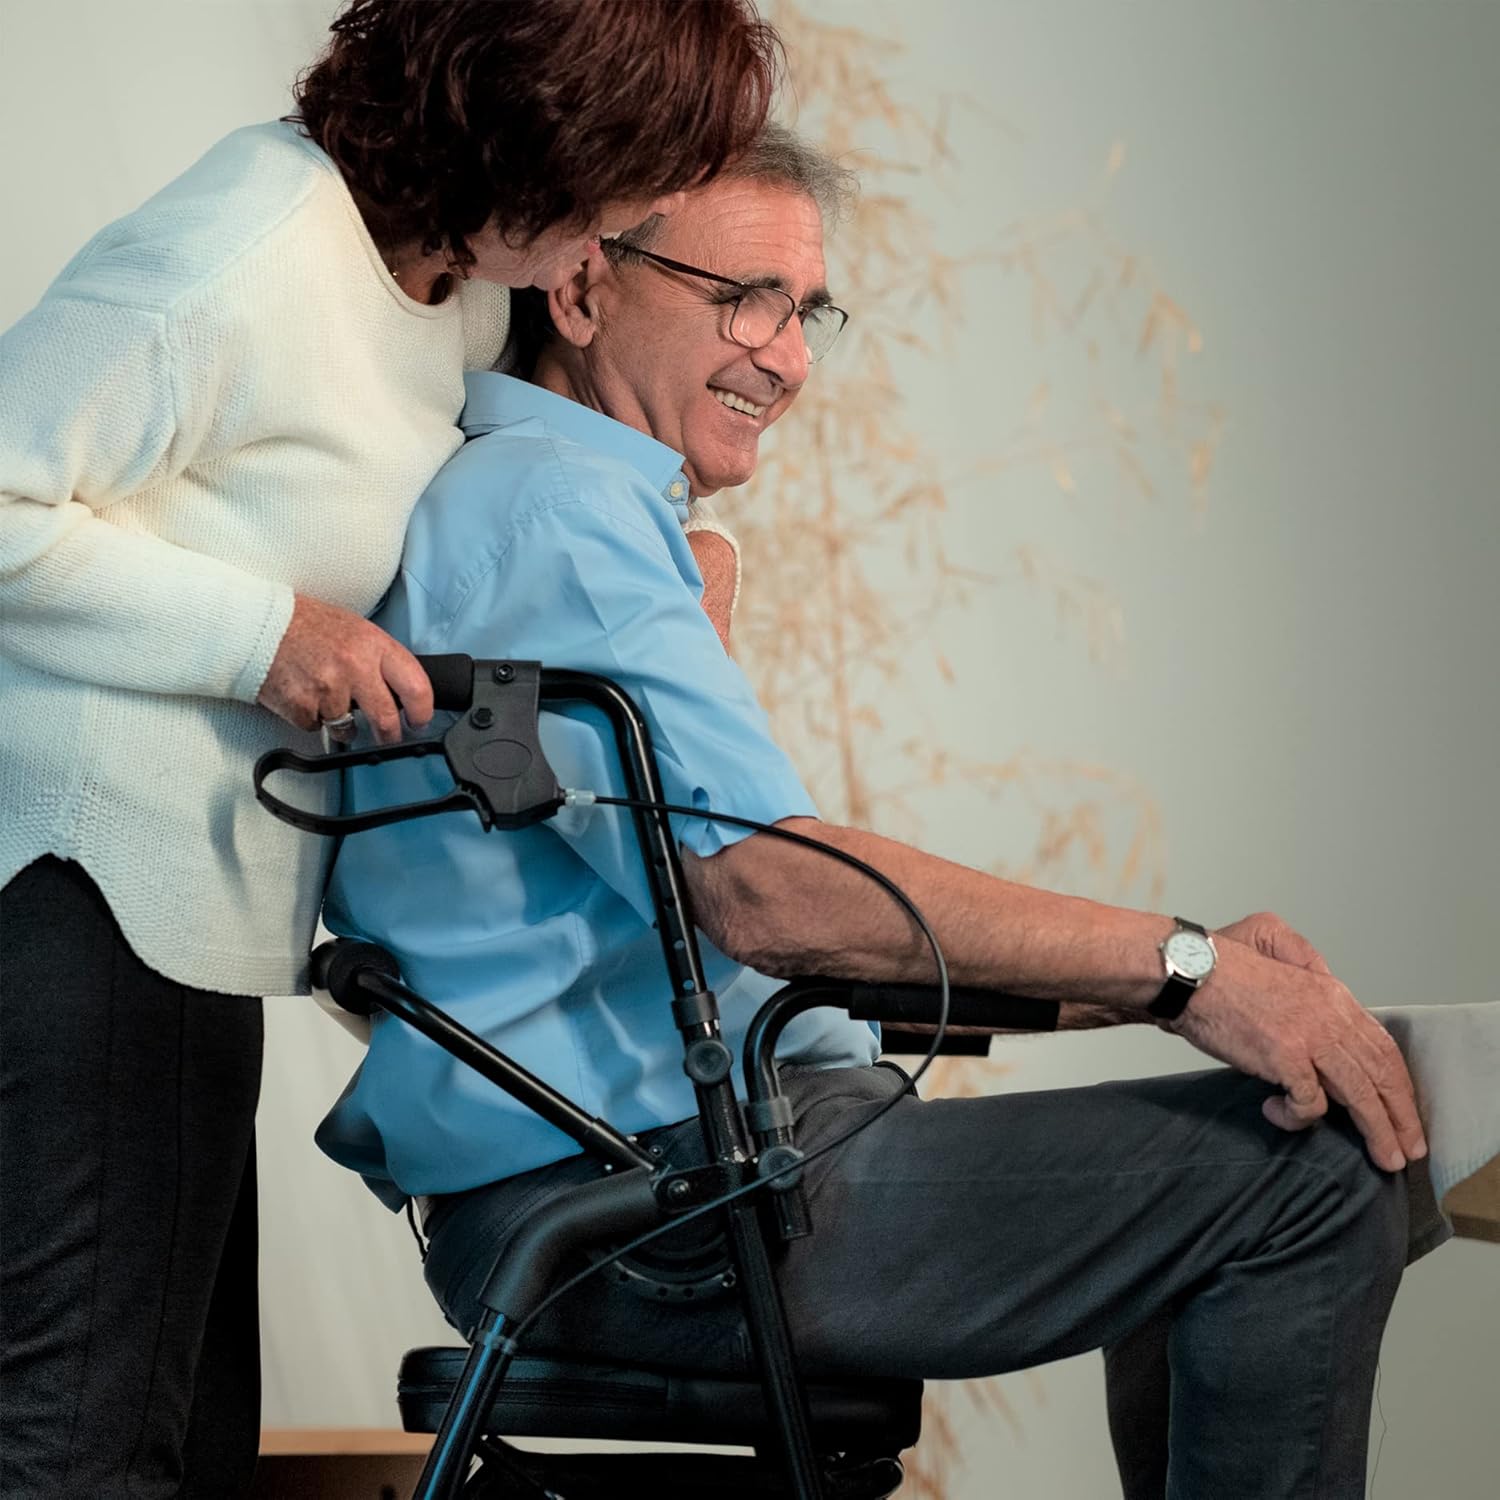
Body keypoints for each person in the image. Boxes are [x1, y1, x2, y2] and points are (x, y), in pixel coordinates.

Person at [317, 127, 1433, 1498]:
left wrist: (1191, 985)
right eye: (743, 298)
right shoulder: (557, 521)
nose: (784, 357)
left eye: (805, 312)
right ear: (585, 286)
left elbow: (710, 910)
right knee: (1307, 1177)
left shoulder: (558, 516)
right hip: (666, 1212)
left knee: (1258, 1145)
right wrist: (1180, 963)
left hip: (660, 1184)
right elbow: (768, 894)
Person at [0, 3, 784, 1495]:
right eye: (618, 181)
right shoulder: (246, 248)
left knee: (175, 1444)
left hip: (197, 919)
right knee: (80, 1449)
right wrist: (265, 639)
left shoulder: (456, 288)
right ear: (520, 135)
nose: (618, 234)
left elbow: (561, 483)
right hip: (81, 890)